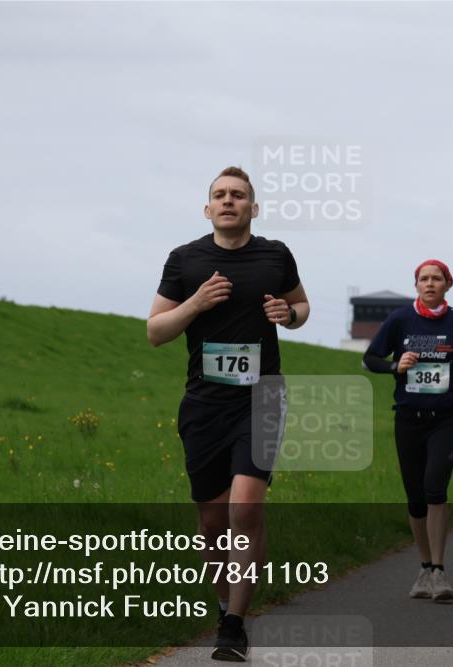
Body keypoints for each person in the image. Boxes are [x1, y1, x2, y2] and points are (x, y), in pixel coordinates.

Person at [147, 166, 310, 662]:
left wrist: (289, 316)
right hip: (204, 404)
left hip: (261, 398)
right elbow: (156, 331)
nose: (228, 200)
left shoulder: (275, 255)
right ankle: (224, 607)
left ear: (253, 208)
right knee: (214, 522)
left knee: (246, 508)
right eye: (219, 194)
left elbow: (302, 307)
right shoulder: (185, 259)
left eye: (238, 194)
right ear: (207, 208)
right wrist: (195, 303)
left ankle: (235, 625)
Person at [363, 259, 453, 603]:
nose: (430, 283)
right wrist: (395, 365)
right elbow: (370, 358)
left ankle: (439, 570)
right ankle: (423, 568)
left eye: (437, 278)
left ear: (448, 284)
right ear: (416, 284)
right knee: (416, 498)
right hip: (408, 418)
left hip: (448, 418)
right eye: (424, 279)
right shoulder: (400, 319)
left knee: (435, 488)